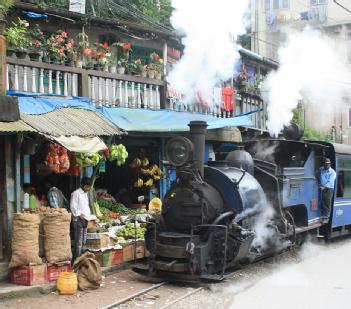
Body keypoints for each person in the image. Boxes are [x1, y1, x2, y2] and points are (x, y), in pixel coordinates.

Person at [70, 177, 92, 260]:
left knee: (83, 241)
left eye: (89, 187)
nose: (88, 189)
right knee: (78, 242)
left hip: (85, 219)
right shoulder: (76, 193)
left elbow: (85, 206)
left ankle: (82, 259)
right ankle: (76, 261)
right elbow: (72, 206)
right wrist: (79, 214)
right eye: (86, 187)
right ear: (82, 185)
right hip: (78, 220)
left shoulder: (86, 193)